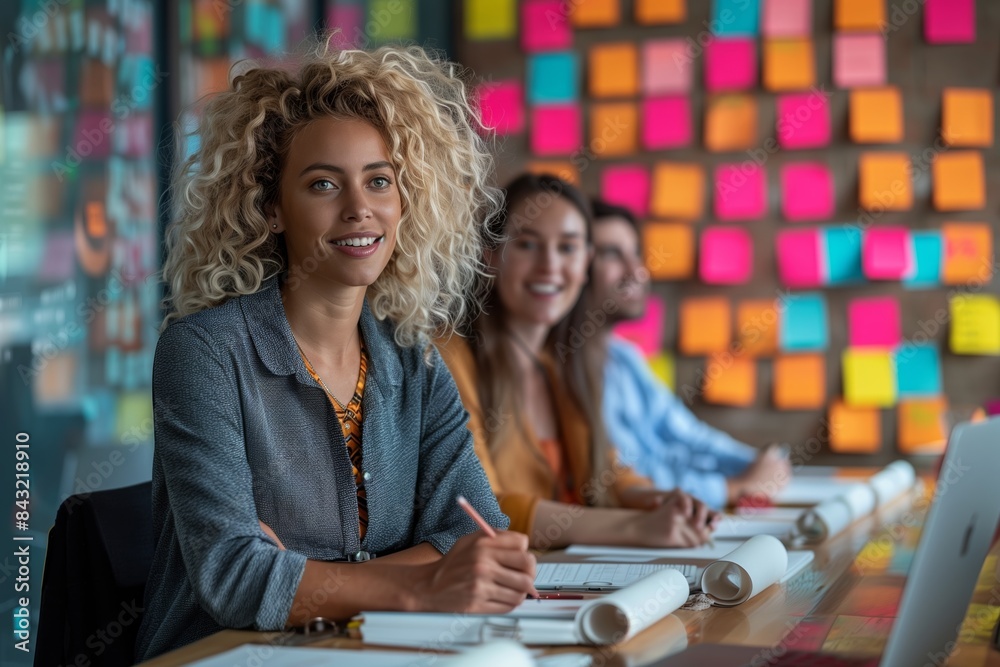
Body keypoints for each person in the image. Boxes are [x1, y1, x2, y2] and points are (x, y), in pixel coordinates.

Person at [136, 43, 536, 661]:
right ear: (270, 208)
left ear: (404, 202)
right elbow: (236, 580)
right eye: (324, 183)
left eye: (379, 180)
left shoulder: (416, 363)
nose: (359, 208)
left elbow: (472, 530)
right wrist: (423, 583)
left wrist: (303, 575)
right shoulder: (204, 354)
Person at [437, 174, 718, 551]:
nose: (549, 266)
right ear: (491, 254)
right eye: (526, 244)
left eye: (567, 248)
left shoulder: (561, 362)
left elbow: (608, 473)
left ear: (586, 262)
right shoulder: (450, 355)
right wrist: (633, 527)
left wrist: (657, 500)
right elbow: (480, 507)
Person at [586, 199, 791, 510]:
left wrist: (759, 464)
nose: (637, 271)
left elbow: (684, 437)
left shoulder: (623, 357)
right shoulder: (566, 368)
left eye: (636, 253)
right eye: (612, 254)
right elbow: (632, 476)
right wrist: (732, 487)